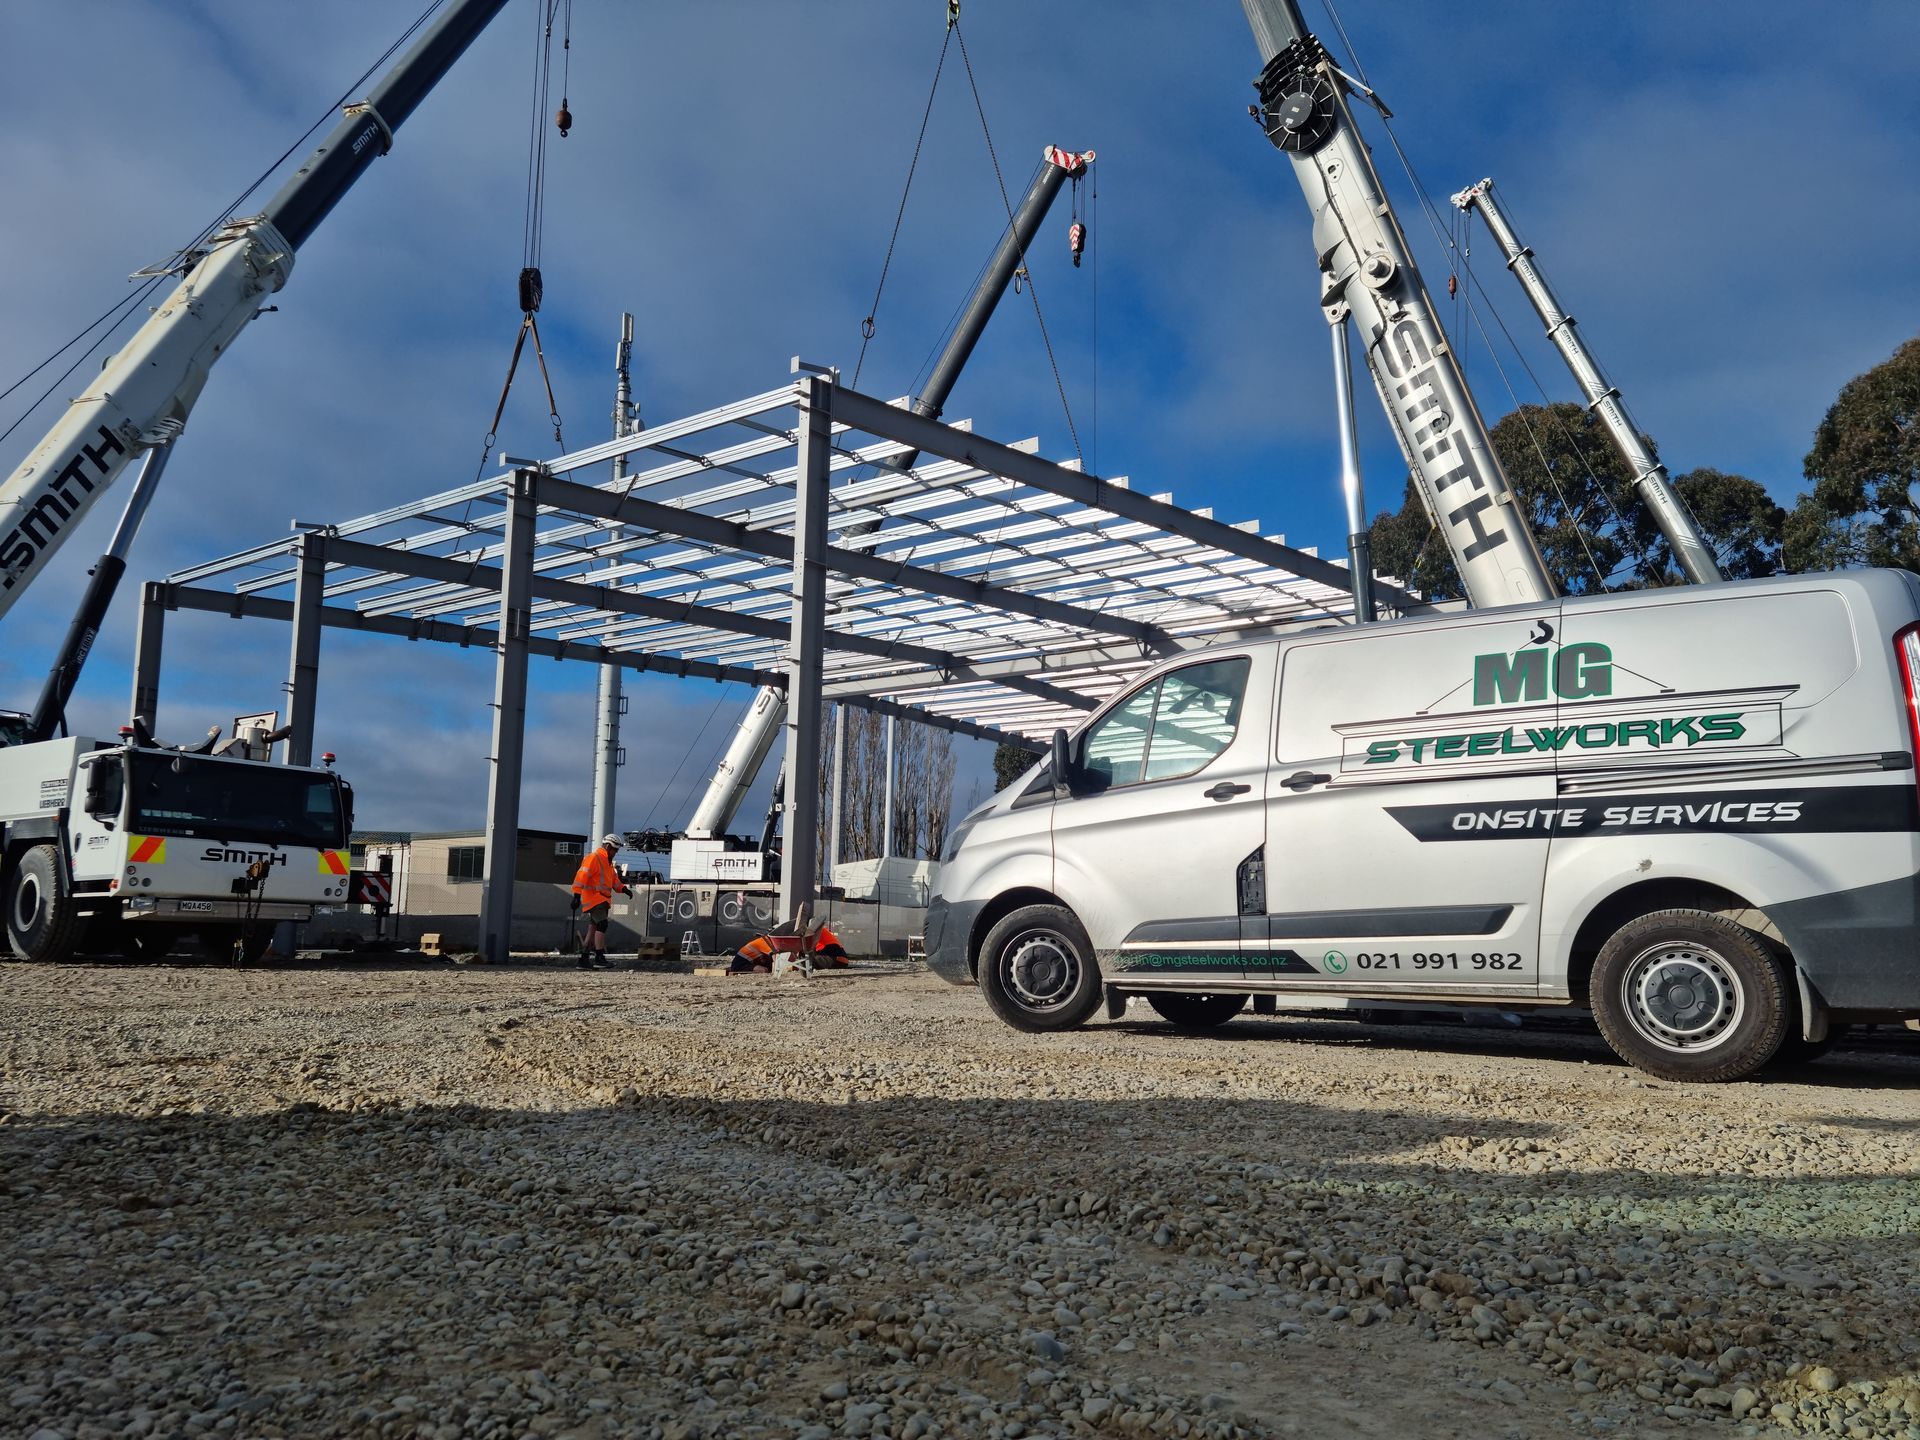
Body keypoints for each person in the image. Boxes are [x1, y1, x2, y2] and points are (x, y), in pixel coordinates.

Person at [570, 835, 631, 969]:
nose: (616, 853)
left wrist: (624, 889)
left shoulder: (607, 862)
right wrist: (576, 895)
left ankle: (583, 960)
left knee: (593, 929)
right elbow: (581, 876)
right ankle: (599, 957)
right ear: (608, 847)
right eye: (615, 850)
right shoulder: (594, 857)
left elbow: (614, 880)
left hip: (603, 900)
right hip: (594, 899)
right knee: (602, 925)